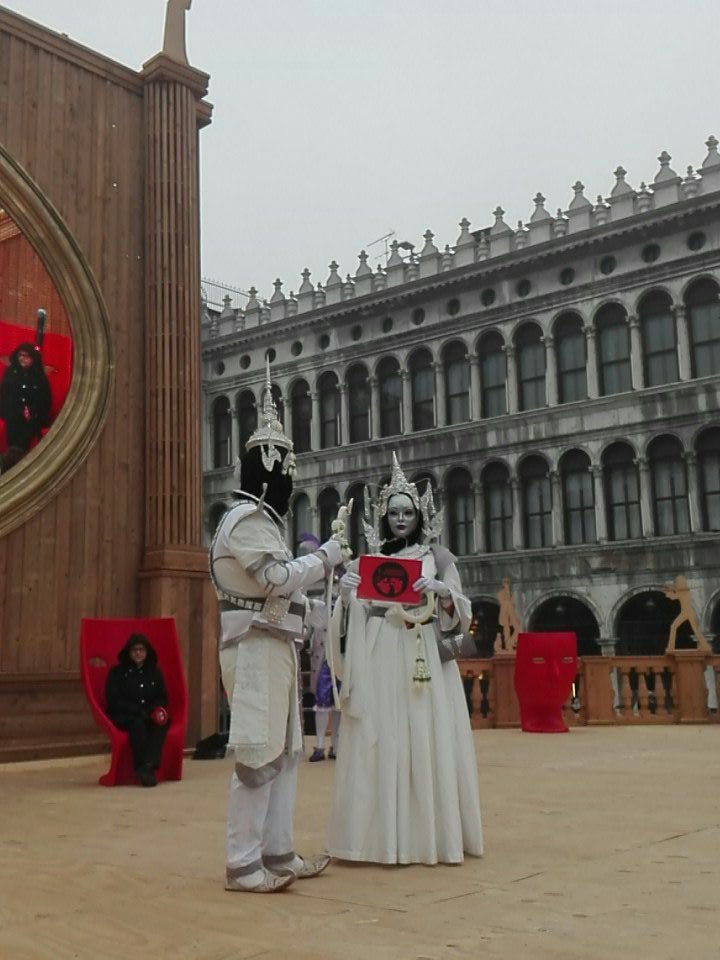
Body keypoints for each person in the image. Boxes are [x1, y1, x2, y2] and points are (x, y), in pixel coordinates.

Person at [210, 363, 345, 894]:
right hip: (253, 649)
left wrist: (318, 587)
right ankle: (243, 863)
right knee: (257, 757)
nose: (291, 485)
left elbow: (281, 589)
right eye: (286, 474)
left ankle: (277, 852)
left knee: (285, 755)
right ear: (269, 472)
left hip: (275, 647)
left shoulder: (261, 520)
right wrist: (325, 557)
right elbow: (274, 578)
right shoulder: (247, 520)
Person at [328, 454, 483, 865]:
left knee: (427, 736)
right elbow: (356, 616)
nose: (400, 519)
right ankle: (378, 839)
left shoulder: (439, 557)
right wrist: (346, 597)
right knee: (381, 737)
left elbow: (461, 614)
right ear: (384, 516)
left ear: (419, 516)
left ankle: (430, 836)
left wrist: (443, 593)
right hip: (380, 653)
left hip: (423, 652)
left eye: (407, 513)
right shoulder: (369, 562)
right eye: (394, 513)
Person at [298, 533, 342, 763]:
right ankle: (320, 744)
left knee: (340, 703)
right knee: (322, 700)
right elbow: (306, 630)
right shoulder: (318, 606)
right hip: (323, 657)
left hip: (342, 658)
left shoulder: (349, 606)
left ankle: (336, 744)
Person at [105, 633, 169, 787]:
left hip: (148, 714)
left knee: (162, 724)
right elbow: (114, 700)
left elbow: (162, 697)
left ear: (147, 652)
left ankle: (148, 766)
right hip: (125, 715)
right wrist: (136, 710)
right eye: (134, 650)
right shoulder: (117, 673)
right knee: (138, 725)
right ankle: (141, 766)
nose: (138, 653)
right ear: (128, 652)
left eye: (141, 650)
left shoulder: (154, 672)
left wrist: (153, 710)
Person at [0, 342, 51, 455]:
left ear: (33, 358)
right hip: (12, 417)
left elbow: (45, 400)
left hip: (32, 419)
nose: (23, 359)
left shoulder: (39, 376)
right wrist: (11, 412)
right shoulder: (11, 372)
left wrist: (32, 412)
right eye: (21, 355)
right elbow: (4, 395)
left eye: (27, 356)